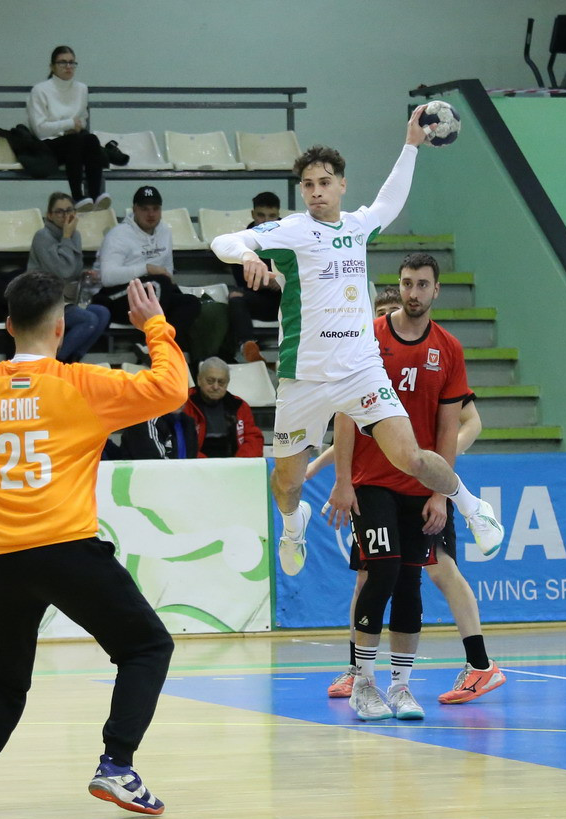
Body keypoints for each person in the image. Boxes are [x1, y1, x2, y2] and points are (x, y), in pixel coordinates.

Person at [0, 268, 187, 818]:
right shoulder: (83, 385)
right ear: (62, 326)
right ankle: (117, 765)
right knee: (147, 648)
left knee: (7, 673)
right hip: (67, 549)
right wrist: (155, 325)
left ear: (8, 326)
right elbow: (172, 388)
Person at [209, 108, 505, 579]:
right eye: (308, 185)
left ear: (342, 185)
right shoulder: (291, 231)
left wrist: (411, 145)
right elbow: (222, 241)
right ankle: (293, 526)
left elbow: (390, 200)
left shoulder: (358, 226)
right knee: (287, 483)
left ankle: (473, 508)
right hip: (304, 378)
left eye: (325, 182)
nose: (316, 191)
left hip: (360, 371)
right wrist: (247, 254)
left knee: (411, 457)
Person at [317, 265, 504, 719]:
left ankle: (401, 687)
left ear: (436, 290)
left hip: (421, 487)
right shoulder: (367, 338)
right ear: (397, 287)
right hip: (372, 480)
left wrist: (439, 494)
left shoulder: (448, 348)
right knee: (378, 573)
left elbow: (451, 427)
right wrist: (341, 480)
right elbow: (345, 414)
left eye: (422, 284)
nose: (413, 292)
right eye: (406, 284)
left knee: (412, 581)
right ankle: (363, 681)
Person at [93, 185, 202, 362]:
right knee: (160, 283)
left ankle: (162, 349)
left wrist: (162, 279)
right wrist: (146, 268)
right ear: (135, 209)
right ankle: (150, 343)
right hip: (115, 300)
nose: (151, 214)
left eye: (155, 209)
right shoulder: (118, 235)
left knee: (190, 302)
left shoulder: (165, 231)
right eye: (145, 209)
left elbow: (168, 271)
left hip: (154, 294)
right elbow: (107, 278)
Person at [28, 191, 111, 362]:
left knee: (102, 313)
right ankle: (55, 361)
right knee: (88, 320)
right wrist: (66, 237)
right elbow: (62, 271)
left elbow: (72, 270)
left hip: (66, 301)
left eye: (69, 210)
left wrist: (83, 273)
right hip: (45, 303)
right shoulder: (42, 237)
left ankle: (73, 360)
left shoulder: (75, 235)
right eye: (59, 212)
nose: (65, 216)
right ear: (49, 215)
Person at [28, 45, 108, 212]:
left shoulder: (81, 89)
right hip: (49, 144)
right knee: (75, 142)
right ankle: (77, 196)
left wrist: (76, 126)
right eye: (63, 63)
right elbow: (40, 129)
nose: (68, 67)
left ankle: (95, 195)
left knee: (91, 139)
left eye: (72, 63)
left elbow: (82, 119)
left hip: (73, 139)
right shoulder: (40, 90)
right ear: (52, 66)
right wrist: (70, 124)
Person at [227, 192, 284, 363]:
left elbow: (305, 271)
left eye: (272, 216)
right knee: (236, 298)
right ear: (253, 214)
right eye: (261, 215)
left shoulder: (290, 236)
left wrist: (282, 280)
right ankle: (248, 346)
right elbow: (243, 280)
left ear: (278, 215)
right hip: (260, 300)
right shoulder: (242, 241)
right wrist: (269, 281)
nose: (266, 221)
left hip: (287, 298)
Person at [182, 356, 263, 458]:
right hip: (197, 464)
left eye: (221, 382)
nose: (215, 387)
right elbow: (180, 443)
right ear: (199, 380)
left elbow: (253, 439)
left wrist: (239, 462)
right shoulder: (184, 403)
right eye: (210, 381)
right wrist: (205, 464)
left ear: (227, 383)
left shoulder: (239, 406)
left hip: (234, 463)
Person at [120, 403, 199, 459]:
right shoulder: (144, 421)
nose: (180, 398)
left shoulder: (188, 422)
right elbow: (155, 464)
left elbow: (191, 460)